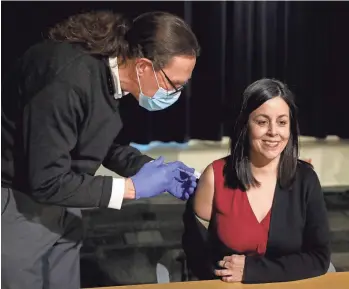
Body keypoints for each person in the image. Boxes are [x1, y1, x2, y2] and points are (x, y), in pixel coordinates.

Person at [1, 10, 200, 289]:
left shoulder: (116, 79)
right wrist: (131, 188)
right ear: (143, 66)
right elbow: (45, 180)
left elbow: (103, 143)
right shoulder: (65, 80)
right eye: (174, 85)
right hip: (18, 204)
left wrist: (150, 169)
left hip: (66, 203)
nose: (176, 94)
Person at [182, 79, 331, 283]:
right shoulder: (215, 176)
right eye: (262, 122)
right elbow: (197, 257)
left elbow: (319, 258)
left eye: (282, 122)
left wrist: (253, 271)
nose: (273, 131)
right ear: (245, 125)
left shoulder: (306, 179)